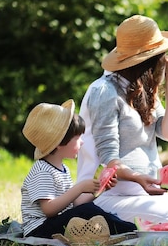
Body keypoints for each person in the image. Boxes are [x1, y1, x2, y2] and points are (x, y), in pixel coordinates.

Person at [76, 15, 168, 224]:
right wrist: (138, 178)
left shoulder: (140, 88)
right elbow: (109, 161)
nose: (164, 60)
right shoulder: (105, 92)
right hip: (106, 197)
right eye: (160, 55)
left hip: (141, 195)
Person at [21, 99, 137, 238]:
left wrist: (100, 187)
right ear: (59, 143)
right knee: (86, 211)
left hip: (55, 223)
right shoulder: (42, 171)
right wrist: (79, 187)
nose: (82, 142)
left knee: (89, 210)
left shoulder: (62, 168)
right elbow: (49, 209)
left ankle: (127, 229)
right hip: (39, 230)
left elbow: (75, 203)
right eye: (77, 138)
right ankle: (131, 230)